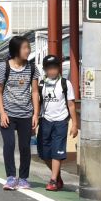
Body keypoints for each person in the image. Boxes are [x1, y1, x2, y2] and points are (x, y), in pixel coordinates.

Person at [0, 35, 40, 190]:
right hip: (8, 113)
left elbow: (34, 92)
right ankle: (11, 177)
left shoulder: (32, 68)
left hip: (26, 114)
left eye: (28, 47)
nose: (28, 50)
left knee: (25, 147)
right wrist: (2, 113)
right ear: (16, 50)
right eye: (25, 48)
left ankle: (24, 178)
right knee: (9, 144)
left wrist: (35, 114)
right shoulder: (4, 68)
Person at [37, 54, 78, 191]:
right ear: (45, 69)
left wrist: (75, 124)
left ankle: (53, 180)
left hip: (61, 121)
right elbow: (37, 103)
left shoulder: (65, 84)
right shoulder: (41, 84)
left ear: (58, 68)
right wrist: (35, 118)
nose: (52, 71)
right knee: (44, 152)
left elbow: (71, 104)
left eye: (54, 68)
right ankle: (57, 176)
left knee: (57, 152)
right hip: (45, 120)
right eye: (49, 68)